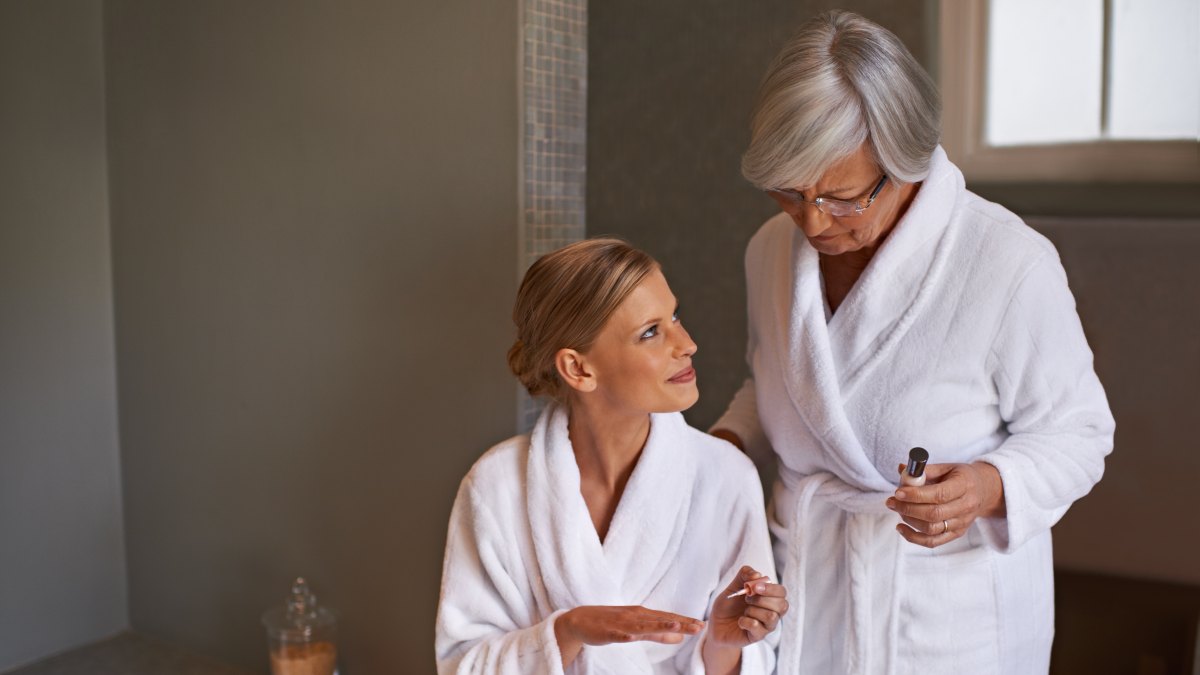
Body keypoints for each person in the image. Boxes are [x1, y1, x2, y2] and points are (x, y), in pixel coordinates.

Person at [710, 11, 1115, 675]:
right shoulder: (767, 251)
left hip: (951, 619)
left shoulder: (1007, 262)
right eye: (790, 192)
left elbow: (1080, 433)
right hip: (811, 591)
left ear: (905, 162)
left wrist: (986, 486)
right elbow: (785, 378)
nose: (813, 221)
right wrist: (724, 443)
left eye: (841, 197)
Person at [436, 238, 787, 675]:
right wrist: (569, 630)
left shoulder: (726, 476)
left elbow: (752, 661)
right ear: (579, 369)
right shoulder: (497, 484)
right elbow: (461, 665)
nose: (687, 344)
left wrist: (723, 644)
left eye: (674, 316)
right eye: (650, 332)